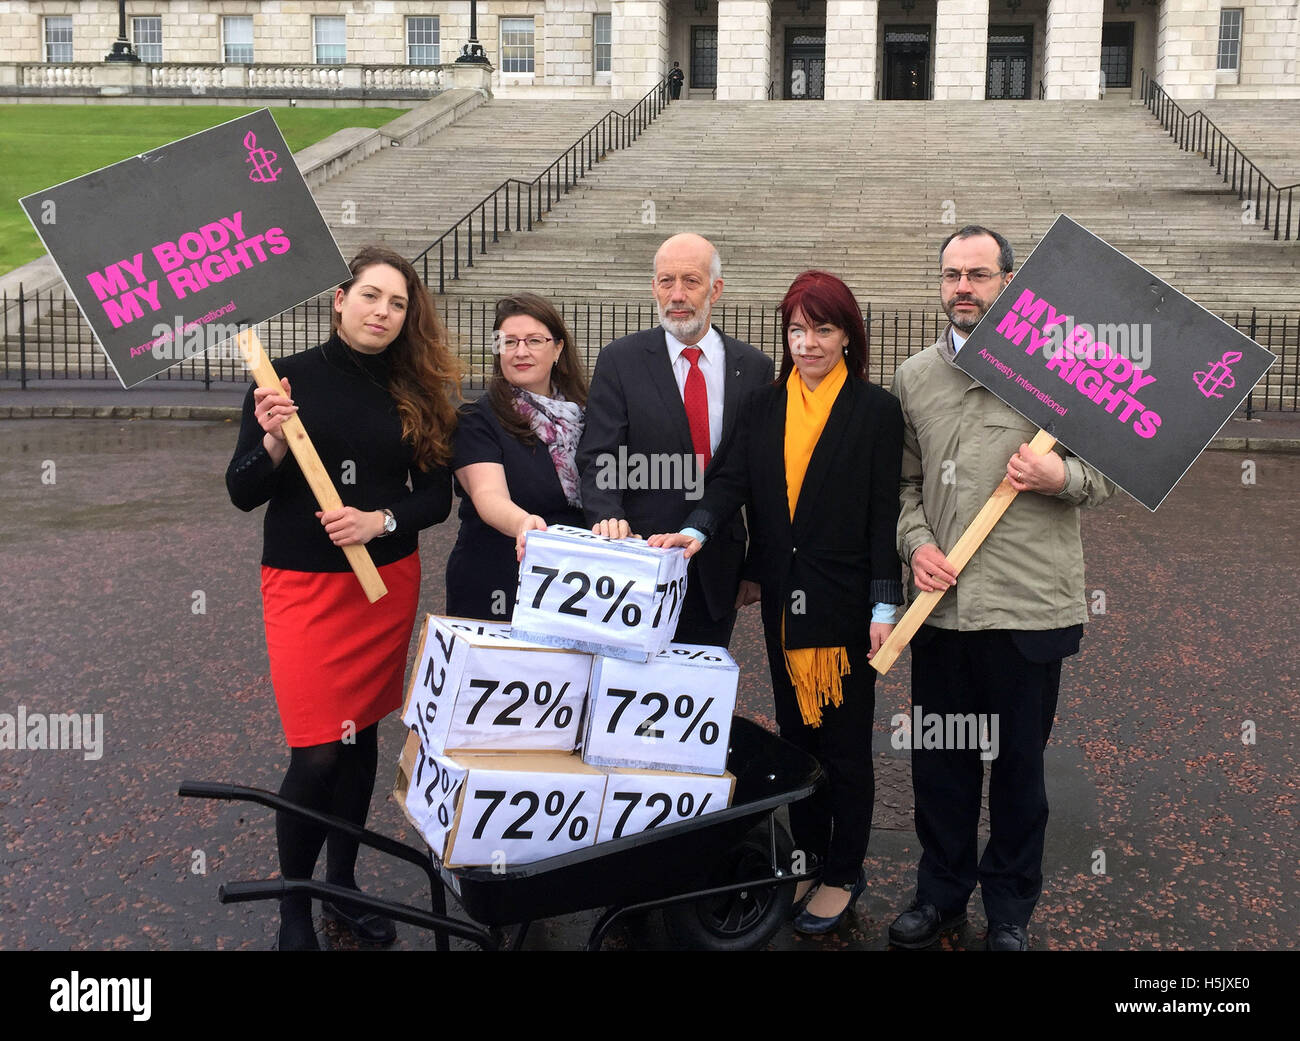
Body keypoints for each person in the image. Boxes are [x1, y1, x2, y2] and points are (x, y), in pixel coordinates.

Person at [650, 270, 903, 933]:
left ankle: (844, 870)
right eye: (797, 329)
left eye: (823, 328)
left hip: (846, 605)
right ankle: (812, 856)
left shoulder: (875, 411)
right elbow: (729, 480)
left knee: (845, 745)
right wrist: (698, 529)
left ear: (848, 334)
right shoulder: (764, 405)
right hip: (784, 605)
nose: (809, 343)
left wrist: (885, 608)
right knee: (799, 738)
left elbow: (883, 520)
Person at [226, 245, 459, 951]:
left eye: (396, 303)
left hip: (382, 586)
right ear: (339, 298)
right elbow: (242, 491)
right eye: (371, 296)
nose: (383, 312)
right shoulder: (283, 379)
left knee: (360, 742)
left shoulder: (416, 387)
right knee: (317, 751)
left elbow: (437, 500)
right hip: (302, 587)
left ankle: (344, 882)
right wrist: (270, 440)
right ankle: (295, 904)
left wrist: (377, 520)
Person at [888, 225, 1115, 951]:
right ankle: (940, 891)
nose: (964, 287)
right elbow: (905, 485)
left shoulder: (1063, 369)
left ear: (1009, 283)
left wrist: (1063, 477)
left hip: (1029, 603)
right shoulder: (914, 374)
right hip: (942, 607)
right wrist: (917, 545)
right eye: (953, 274)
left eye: (980, 275)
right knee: (941, 765)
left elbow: (1109, 473)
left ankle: (1011, 908)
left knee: (1018, 768)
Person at [576, 232, 774, 647]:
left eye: (691, 280)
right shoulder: (620, 360)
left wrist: (756, 564)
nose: (677, 294)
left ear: (715, 289)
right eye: (666, 281)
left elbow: (760, 475)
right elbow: (599, 455)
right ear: (654, 287)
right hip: (638, 561)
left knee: (697, 693)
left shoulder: (753, 367)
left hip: (717, 566)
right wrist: (606, 516)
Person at [445, 293, 588, 621]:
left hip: (573, 582)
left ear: (558, 348)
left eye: (535, 341)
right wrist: (523, 523)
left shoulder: (587, 414)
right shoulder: (476, 418)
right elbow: (488, 495)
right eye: (509, 342)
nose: (520, 351)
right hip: (498, 577)